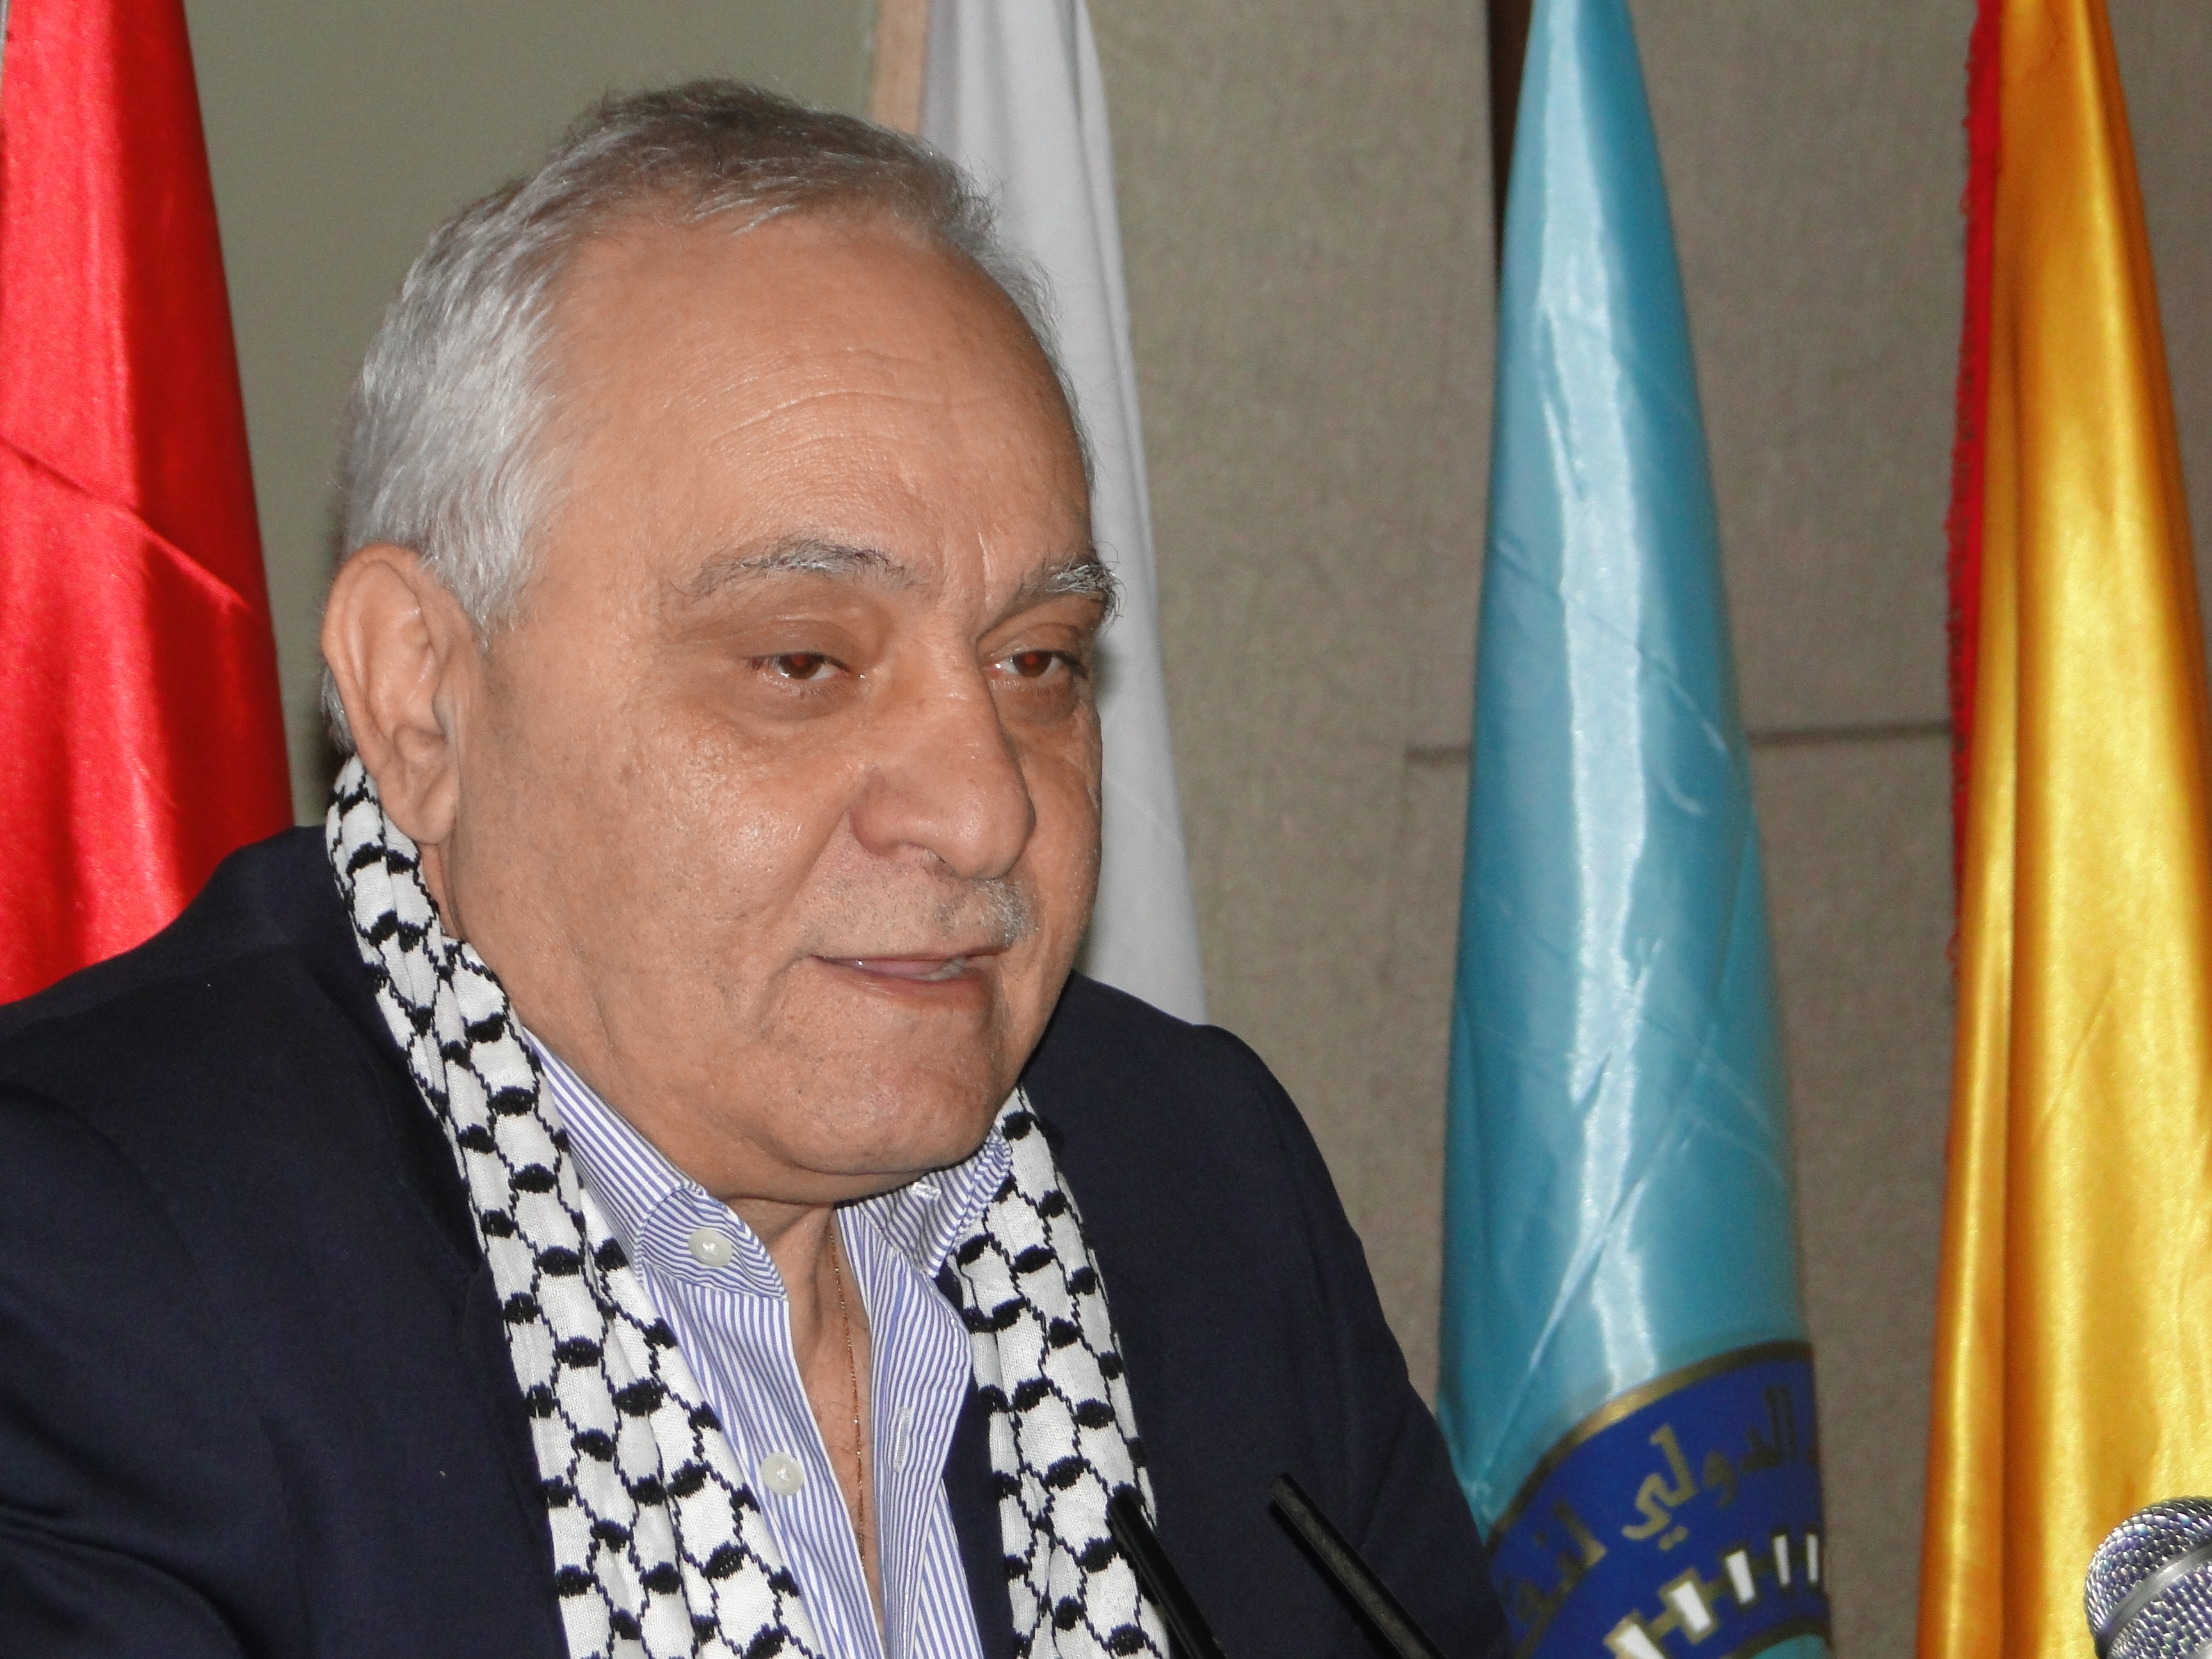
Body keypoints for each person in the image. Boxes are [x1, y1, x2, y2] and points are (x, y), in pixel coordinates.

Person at [0, 83, 1508, 1659]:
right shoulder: (80, 1269)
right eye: (802, 662)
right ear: (422, 694)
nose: (985, 809)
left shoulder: (1196, 1178)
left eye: (1039, 661)